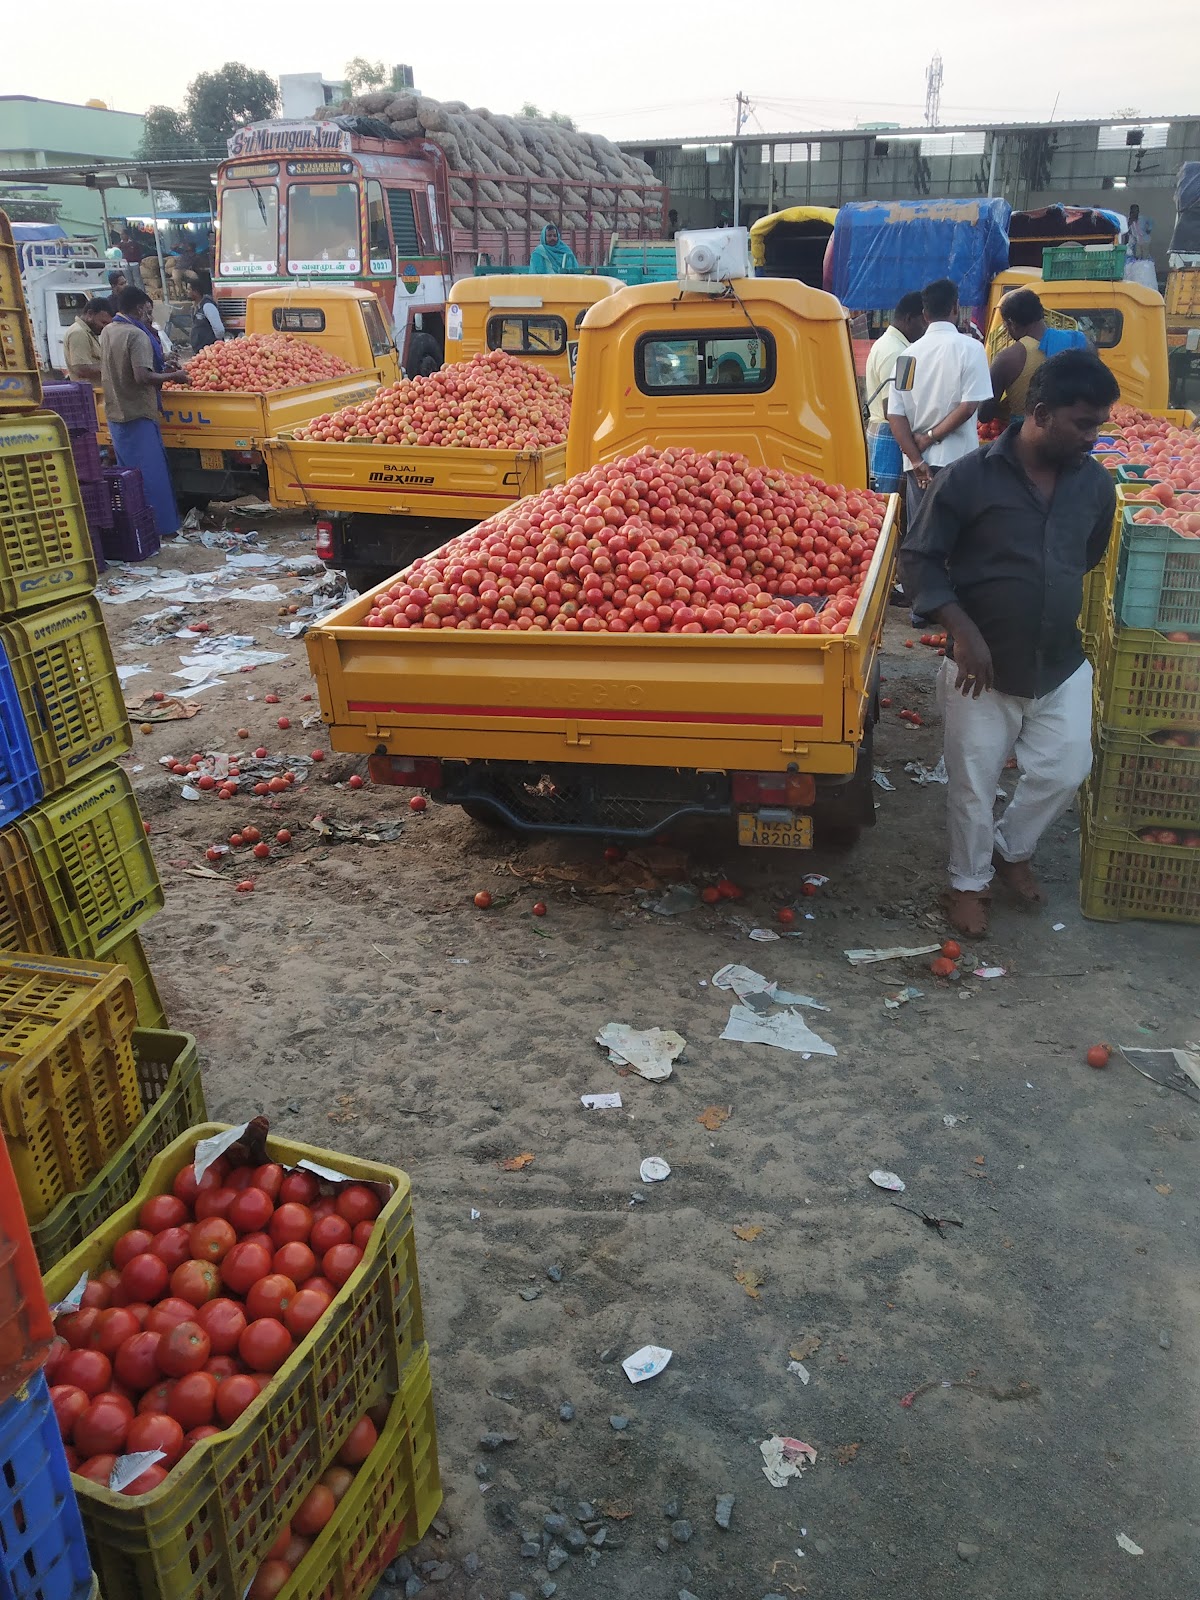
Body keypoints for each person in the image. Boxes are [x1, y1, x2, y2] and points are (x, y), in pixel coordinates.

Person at [899, 350, 1121, 937]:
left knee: (1066, 769)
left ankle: (1010, 847)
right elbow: (919, 560)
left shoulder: (1095, 486)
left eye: (1099, 423)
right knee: (973, 783)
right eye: (1083, 423)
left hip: (1058, 661)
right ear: (1041, 412)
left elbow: (1087, 553)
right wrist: (963, 630)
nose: (1093, 437)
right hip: (981, 667)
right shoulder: (969, 477)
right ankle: (967, 882)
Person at [887, 278, 994, 528]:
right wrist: (931, 436)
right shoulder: (971, 349)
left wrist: (916, 460)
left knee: (923, 534)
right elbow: (968, 407)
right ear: (955, 308)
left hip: (919, 465)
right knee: (959, 537)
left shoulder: (907, 357)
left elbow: (896, 415)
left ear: (924, 314)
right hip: (959, 461)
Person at [101, 288, 188, 539]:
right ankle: (162, 527)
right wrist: (175, 376)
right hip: (138, 412)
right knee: (152, 476)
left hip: (117, 412)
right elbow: (142, 376)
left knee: (130, 476)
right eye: (148, 310)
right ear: (139, 308)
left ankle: (139, 526)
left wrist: (162, 362)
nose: (150, 315)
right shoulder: (136, 334)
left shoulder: (109, 331)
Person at [984, 288, 1091, 425]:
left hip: (1029, 438)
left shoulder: (1007, 358)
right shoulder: (1081, 342)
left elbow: (984, 414)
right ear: (1041, 313)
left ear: (1011, 323)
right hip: (1074, 433)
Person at [864, 292, 925, 494]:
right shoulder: (895, 352)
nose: (926, 330)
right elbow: (892, 407)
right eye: (923, 323)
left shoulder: (891, 345)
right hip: (890, 433)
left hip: (888, 431)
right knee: (887, 500)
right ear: (909, 319)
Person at [62, 297, 113, 382]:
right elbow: (81, 369)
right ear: (90, 314)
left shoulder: (89, 331)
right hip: (90, 392)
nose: (105, 327)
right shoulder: (78, 333)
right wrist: (111, 368)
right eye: (103, 322)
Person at [187, 277, 225, 351]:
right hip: (200, 352)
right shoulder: (195, 307)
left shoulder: (208, 306)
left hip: (209, 352)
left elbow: (219, 331)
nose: (187, 292)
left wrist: (215, 347)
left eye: (189, 289)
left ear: (196, 292)